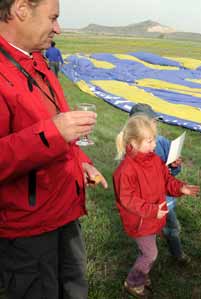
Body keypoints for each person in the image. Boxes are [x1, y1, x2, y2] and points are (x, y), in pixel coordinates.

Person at [0, 1, 108, 298]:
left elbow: (57, 128)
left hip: (64, 211)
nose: (58, 28)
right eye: (53, 18)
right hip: (28, 230)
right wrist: (53, 133)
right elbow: (51, 132)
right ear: (21, 9)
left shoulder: (38, 62)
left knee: (74, 289)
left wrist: (82, 162)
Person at [113, 114, 200, 298]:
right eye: (150, 141)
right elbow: (128, 199)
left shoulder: (153, 160)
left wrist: (180, 187)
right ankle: (133, 282)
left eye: (154, 140)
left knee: (146, 251)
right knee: (150, 254)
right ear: (134, 144)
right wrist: (153, 211)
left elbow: (166, 179)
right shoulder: (126, 170)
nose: (154, 145)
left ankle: (143, 274)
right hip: (140, 222)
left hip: (152, 218)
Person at [129, 103, 191, 265]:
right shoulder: (131, 151)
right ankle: (144, 263)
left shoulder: (162, 142)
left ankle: (177, 254)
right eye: (151, 123)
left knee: (172, 228)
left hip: (165, 202)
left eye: (155, 122)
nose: (155, 126)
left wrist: (174, 166)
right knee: (146, 238)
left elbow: (171, 172)